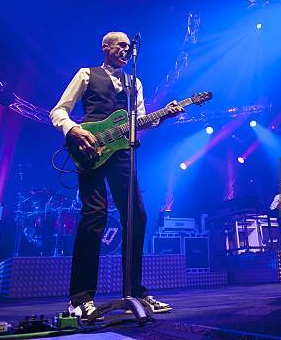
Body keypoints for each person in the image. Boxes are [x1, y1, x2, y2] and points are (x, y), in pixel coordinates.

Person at [50, 31, 184, 318]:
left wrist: (164, 116)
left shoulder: (134, 81)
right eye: (120, 45)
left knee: (137, 215)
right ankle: (80, 298)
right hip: (91, 149)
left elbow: (141, 119)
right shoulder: (87, 74)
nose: (126, 49)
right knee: (94, 215)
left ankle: (134, 292)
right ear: (106, 47)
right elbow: (59, 110)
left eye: (128, 46)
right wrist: (73, 129)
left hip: (123, 152)